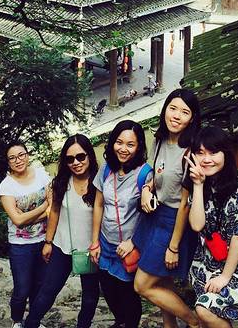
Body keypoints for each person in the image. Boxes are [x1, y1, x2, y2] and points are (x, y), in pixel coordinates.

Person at [186, 126, 238, 327]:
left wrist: (225, 277)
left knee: (204, 309)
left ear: (226, 153)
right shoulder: (199, 180)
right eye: (200, 153)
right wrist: (198, 186)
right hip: (210, 257)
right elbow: (197, 225)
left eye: (213, 152)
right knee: (205, 309)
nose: (206, 159)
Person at [133, 88, 202, 328]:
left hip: (174, 221)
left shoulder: (191, 152)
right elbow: (155, 173)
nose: (176, 116)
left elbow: (185, 204)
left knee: (142, 284)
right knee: (163, 283)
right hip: (154, 216)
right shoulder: (160, 139)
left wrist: (173, 247)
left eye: (184, 112)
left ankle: (194, 322)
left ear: (192, 119)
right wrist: (146, 188)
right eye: (173, 108)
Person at [24, 134, 100, 328]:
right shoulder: (60, 183)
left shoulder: (100, 183)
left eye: (80, 157)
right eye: (70, 159)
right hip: (62, 246)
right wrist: (48, 242)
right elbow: (54, 213)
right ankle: (30, 324)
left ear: (89, 155)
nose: (76, 163)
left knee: (90, 297)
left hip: (91, 250)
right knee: (47, 291)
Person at [90, 120, 152, 328]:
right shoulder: (106, 169)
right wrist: (94, 241)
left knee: (128, 293)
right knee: (108, 290)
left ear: (139, 147)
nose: (123, 149)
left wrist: (133, 242)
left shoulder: (145, 174)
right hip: (105, 241)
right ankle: (120, 322)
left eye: (130, 144)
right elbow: (99, 204)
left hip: (128, 246)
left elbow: (150, 216)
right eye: (119, 142)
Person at [0, 141, 51, 328]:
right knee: (22, 289)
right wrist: (43, 208)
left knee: (39, 285)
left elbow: (54, 205)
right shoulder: (6, 186)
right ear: (8, 162)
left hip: (44, 240)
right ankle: (17, 321)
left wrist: (28, 216)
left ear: (27, 155)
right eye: (12, 158)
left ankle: (34, 322)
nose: (18, 160)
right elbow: (17, 221)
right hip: (20, 246)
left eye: (21, 155)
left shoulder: (42, 175)